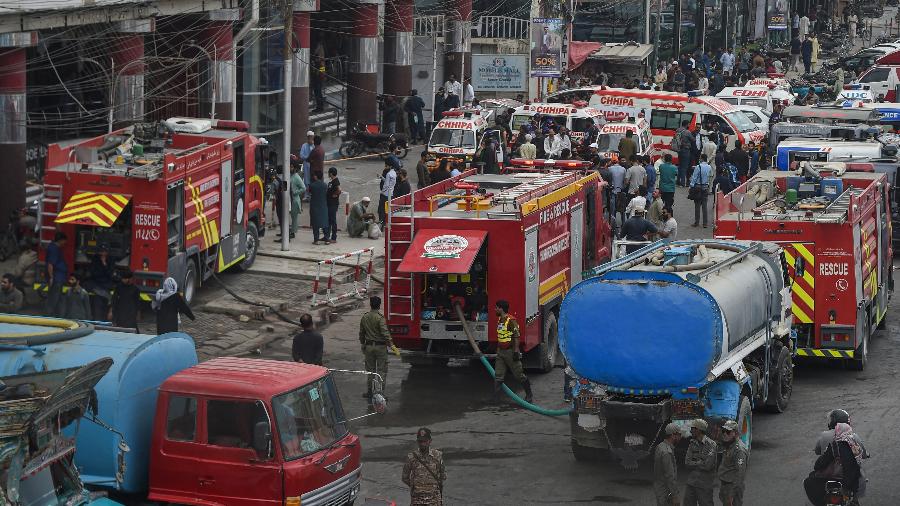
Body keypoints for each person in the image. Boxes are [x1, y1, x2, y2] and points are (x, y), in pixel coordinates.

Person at [493, 299, 533, 403]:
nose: (495, 309)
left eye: (496, 307)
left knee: (519, 375)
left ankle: (529, 395)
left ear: (501, 309)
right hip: (501, 352)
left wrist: (516, 351)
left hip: (510, 352)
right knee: (498, 375)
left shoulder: (511, 320)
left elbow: (516, 336)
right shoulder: (499, 319)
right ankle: (496, 398)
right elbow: (501, 336)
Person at [359, 296, 398, 399]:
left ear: (370, 304)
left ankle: (369, 392)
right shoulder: (380, 318)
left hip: (368, 347)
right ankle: (380, 393)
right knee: (381, 371)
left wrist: (363, 344)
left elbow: (361, 333)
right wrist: (392, 345)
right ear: (379, 305)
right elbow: (385, 333)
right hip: (380, 348)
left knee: (370, 371)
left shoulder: (365, 317)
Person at [402, 427, 446, 506]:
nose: (422, 444)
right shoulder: (411, 457)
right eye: (420, 441)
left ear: (430, 441)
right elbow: (405, 477)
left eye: (425, 441)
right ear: (417, 442)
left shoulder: (437, 456)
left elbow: (443, 476)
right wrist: (416, 487)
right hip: (417, 500)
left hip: (434, 500)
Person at [683, 419, 717, 506]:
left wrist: (694, 463)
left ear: (698, 430)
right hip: (691, 482)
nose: (690, 430)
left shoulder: (711, 445)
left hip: (704, 484)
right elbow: (687, 463)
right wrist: (700, 462)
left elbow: (707, 466)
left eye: (693, 428)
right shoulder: (692, 443)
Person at [718, 420, 749, 506]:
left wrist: (732, 495)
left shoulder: (739, 450)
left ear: (735, 433)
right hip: (726, 485)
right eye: (723, 431)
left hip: (732, 487)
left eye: (728, 432)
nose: (724, 434)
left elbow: (740, 475)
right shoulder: (729, 445)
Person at [653, 423, 681, 506]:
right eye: (679, 434)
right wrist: (675, 496)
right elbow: (670, 476)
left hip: (659, 488)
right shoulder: (667, 452)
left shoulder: (660, 446)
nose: (680, 437)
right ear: (673, 435)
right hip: (666, 491)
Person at [45, 231, 68, 316]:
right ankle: (49, 315)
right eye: (64, 240)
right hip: (56, 278)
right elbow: (50, 264)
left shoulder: (54, 247)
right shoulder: (54, 249)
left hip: (59, 277)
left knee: (58, 297)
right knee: (53, 297)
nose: (65, 243)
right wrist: (51, 277)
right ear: (61, 240)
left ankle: (56, 315)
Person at [689, 154, 713, 228]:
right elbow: (711, 175)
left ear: (702, 159)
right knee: (705, 205)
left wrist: (691, 186)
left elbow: (694, 178)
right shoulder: (709, 167)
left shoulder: (698, 167)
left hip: (697, 187)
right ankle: (705, 223)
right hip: (705, 187)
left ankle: (697, 222)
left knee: (697, 205)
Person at [308, 171, 329, 245]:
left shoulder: (312, 185)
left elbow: (309, 193)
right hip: (323, 205)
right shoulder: (325, 185)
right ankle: (326, 239)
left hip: (314, 206)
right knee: (325, 223)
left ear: (316, 176)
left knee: (315, 223)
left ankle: (316, 240)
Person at [674, 121, 694, 187]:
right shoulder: (687, 132)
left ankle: (678, 181)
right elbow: (693, 139)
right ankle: (683, 183)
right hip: (686, 150)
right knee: (684, 167)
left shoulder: (678, 130)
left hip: (679, 150)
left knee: (680, 166)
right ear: (687, 124)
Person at [289, 164, 306, 239]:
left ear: (294, 168)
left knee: (294, 217)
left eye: (291, 167)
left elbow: (303, 188)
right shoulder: (290, 175)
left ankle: (293, 232)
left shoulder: (296, 177)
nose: (290, 168)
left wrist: (295, 192)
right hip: (290, 199)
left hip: (295, 200)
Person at [379, 159, 398, 225]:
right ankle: (387, 222)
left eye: (386, 165)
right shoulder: (394, 173)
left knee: (382, 210)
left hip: (385, 195)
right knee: (388, 210)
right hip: (391, 194)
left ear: (390, 166)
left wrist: (382, 192)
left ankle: (382, 223)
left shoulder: (388, 174)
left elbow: (386, 185)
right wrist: (382, 177)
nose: (385, 167)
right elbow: (389, 183)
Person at [326, 167, 341, 243]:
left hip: (333, 204)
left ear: (331, 173)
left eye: (329, 173)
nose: (328, 174)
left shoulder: (335, 181)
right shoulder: (332, 181)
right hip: (329, 203)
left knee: (332, 220)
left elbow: (339, 190)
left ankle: (334, 237)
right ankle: (327, 236)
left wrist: (335, 194)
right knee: (329, 220)